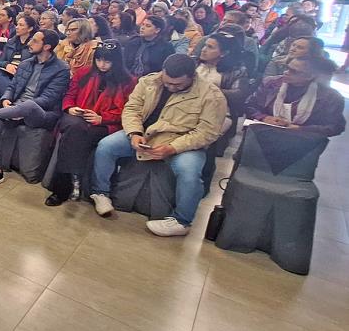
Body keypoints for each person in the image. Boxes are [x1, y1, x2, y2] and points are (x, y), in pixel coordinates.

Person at [90, 54, 227, 236]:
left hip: (182, 143)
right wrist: (134, 133)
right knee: (106, 146)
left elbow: (207, 132)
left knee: (189, 172)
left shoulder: (211, 96)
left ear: (192, 77)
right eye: (167, 81)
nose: (170, 87)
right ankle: (101, 193)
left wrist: (173, 148)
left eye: (177, 85)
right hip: (144, 135)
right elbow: (132, 109)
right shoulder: (149, 82)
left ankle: (182, 220)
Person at [0, 30, 69, 189]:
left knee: (29, 105)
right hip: (15, 107)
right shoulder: (26, 63)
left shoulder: (61, 69)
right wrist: (6, 99)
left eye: (35, 41)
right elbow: (12, 86)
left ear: (47, 46)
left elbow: (49, 99)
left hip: (42, 113)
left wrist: (20, 108)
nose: (30, 43)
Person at [45, 40, 136, 206]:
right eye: (99, 60)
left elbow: (127, 110)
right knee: (75, 127)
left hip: (104, 123)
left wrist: (102, 118)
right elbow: (69, 95)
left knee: (77, 134)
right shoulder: (84, 73)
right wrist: (70, 107)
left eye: (107, 61)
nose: (102, 64)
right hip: (77, 115)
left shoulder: (128, 81)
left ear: (116, 62)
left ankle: (64, 185)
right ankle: (73, 179)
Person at [245, 56, 345, 136]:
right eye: (287, 68)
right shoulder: (271, 83)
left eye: (293, 71)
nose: (286, 72)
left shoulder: (330, 97)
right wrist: (264, 117)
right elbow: (250, 105)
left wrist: (300, 129)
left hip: (302, 145)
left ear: (310, 76)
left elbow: (335, 127)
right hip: (262, 136)